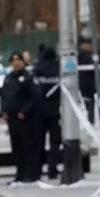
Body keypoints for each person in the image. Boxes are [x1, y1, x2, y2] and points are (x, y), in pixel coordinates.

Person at [0, 52, 39, 185]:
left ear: (23, 62)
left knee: (28, 146)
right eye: (13, 61)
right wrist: (3, 110)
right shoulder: (8, 78)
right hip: (12, 119)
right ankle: (20, 173)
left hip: (26, 119)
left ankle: (31, 174)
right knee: (16, 148)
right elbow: (4, 96)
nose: (16, 64)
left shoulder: (28, 77)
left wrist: (24, 111)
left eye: (18, 61)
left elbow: (35, 97)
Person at [32, 45, 62, 180]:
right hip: (55, 111)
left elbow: (33, 90)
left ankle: (37, 169)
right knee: (55, 143)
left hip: (39, 111)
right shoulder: (58, 70)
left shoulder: (37, 70)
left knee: (39, 142)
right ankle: (52, 169)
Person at [78, 38, 100, 134]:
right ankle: (90, 126)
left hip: (98, 84)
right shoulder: (81, 55)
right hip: (87, 85)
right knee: (89, 107)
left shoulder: (99, 54)